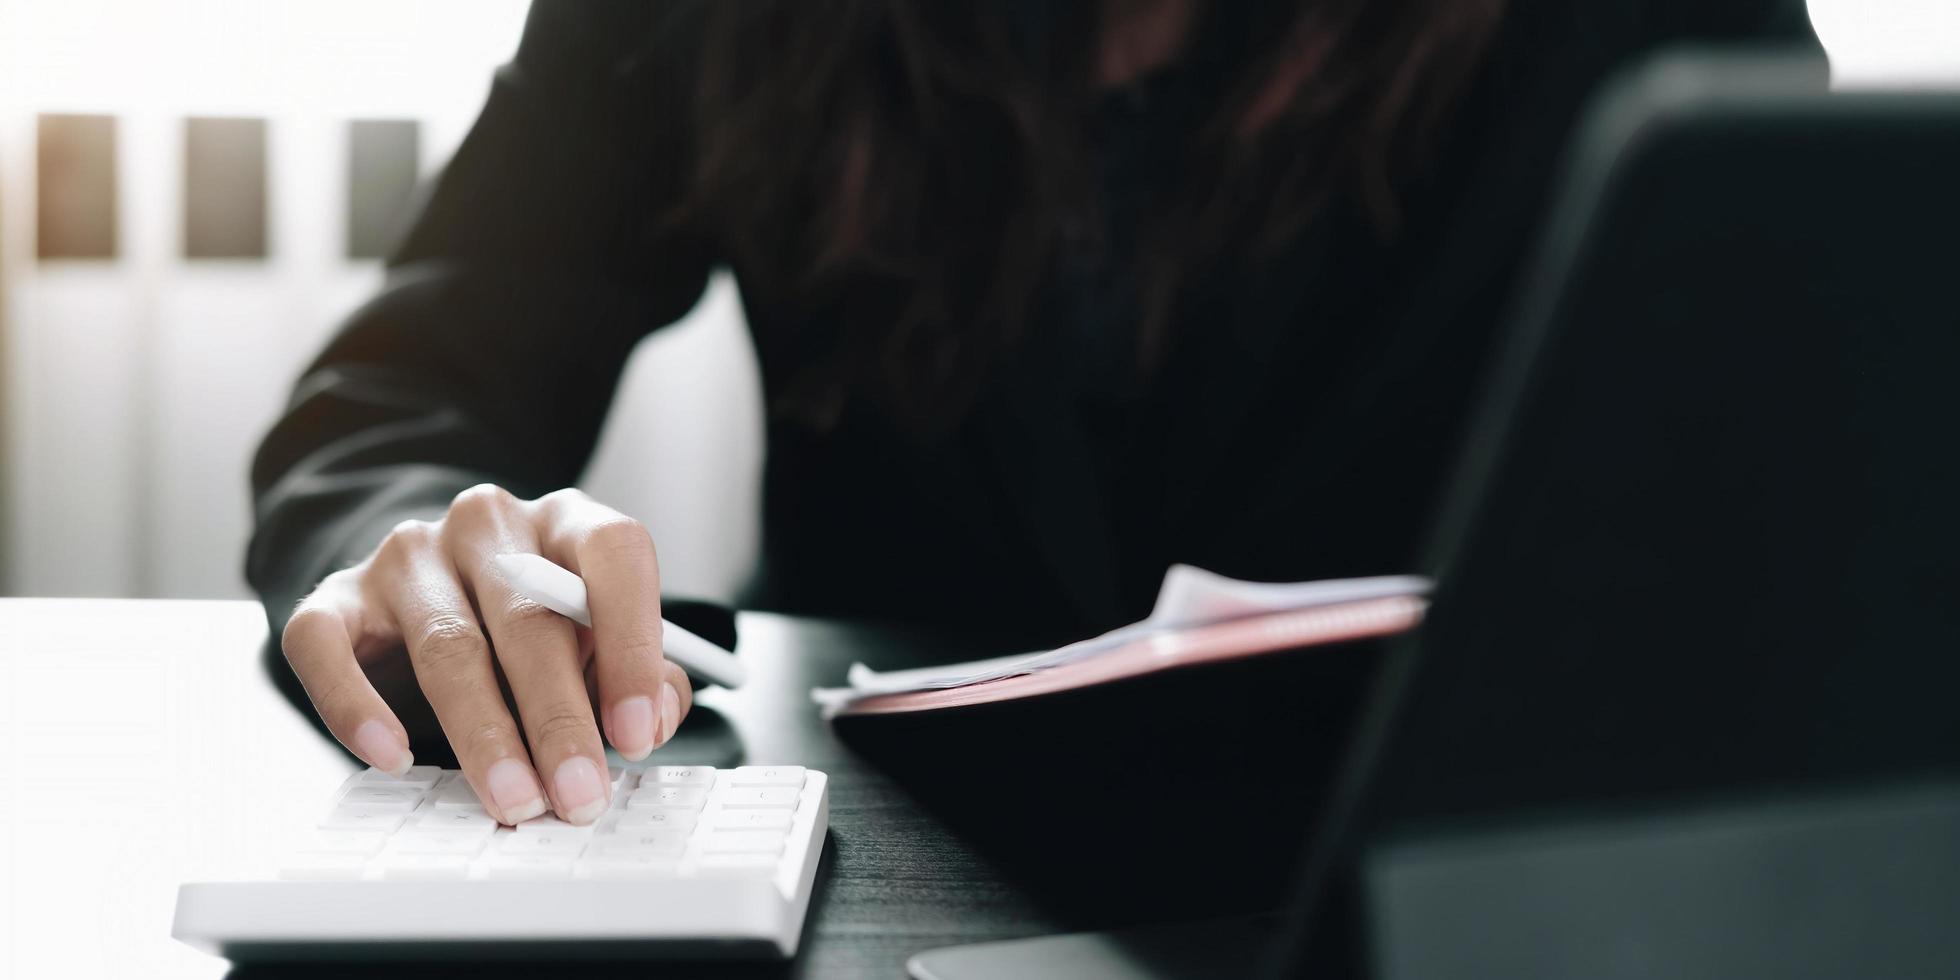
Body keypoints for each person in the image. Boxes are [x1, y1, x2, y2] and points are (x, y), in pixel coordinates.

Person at [249, 0, 1818, 827]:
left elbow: (1815, 464)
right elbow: (401, 395)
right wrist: (410, 553)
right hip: (882, 852)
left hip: (1407, 858)